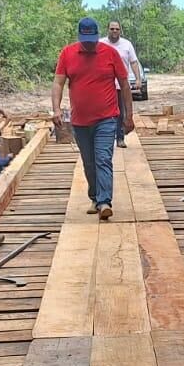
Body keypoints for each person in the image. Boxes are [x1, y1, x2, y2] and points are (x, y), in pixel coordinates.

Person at [52, 18, 133, 220]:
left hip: (106, 118)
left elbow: (124, 85)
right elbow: (58, 83)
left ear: (98, 35)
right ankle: (95, 197)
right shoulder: (67, 54)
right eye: (85, 39)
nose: (89, 43)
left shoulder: (110, 53)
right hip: (80, 121)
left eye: (92, 39)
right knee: (89, 162)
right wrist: (56, 109)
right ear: (80, 36)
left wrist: (129, 116)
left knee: (103, 159)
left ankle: (105, 201)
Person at [105, 21, 142, 149]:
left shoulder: (127, 45)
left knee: (120, 113)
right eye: (112, 29)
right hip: (104, 86)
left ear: (120, 31)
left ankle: (120, 138)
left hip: (121, 85)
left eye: (117, 29)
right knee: (105, 113)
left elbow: (134, 62)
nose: (114, 31)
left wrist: (138, 79)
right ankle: (106, 138)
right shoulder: (101, 43)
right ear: (107, 30)